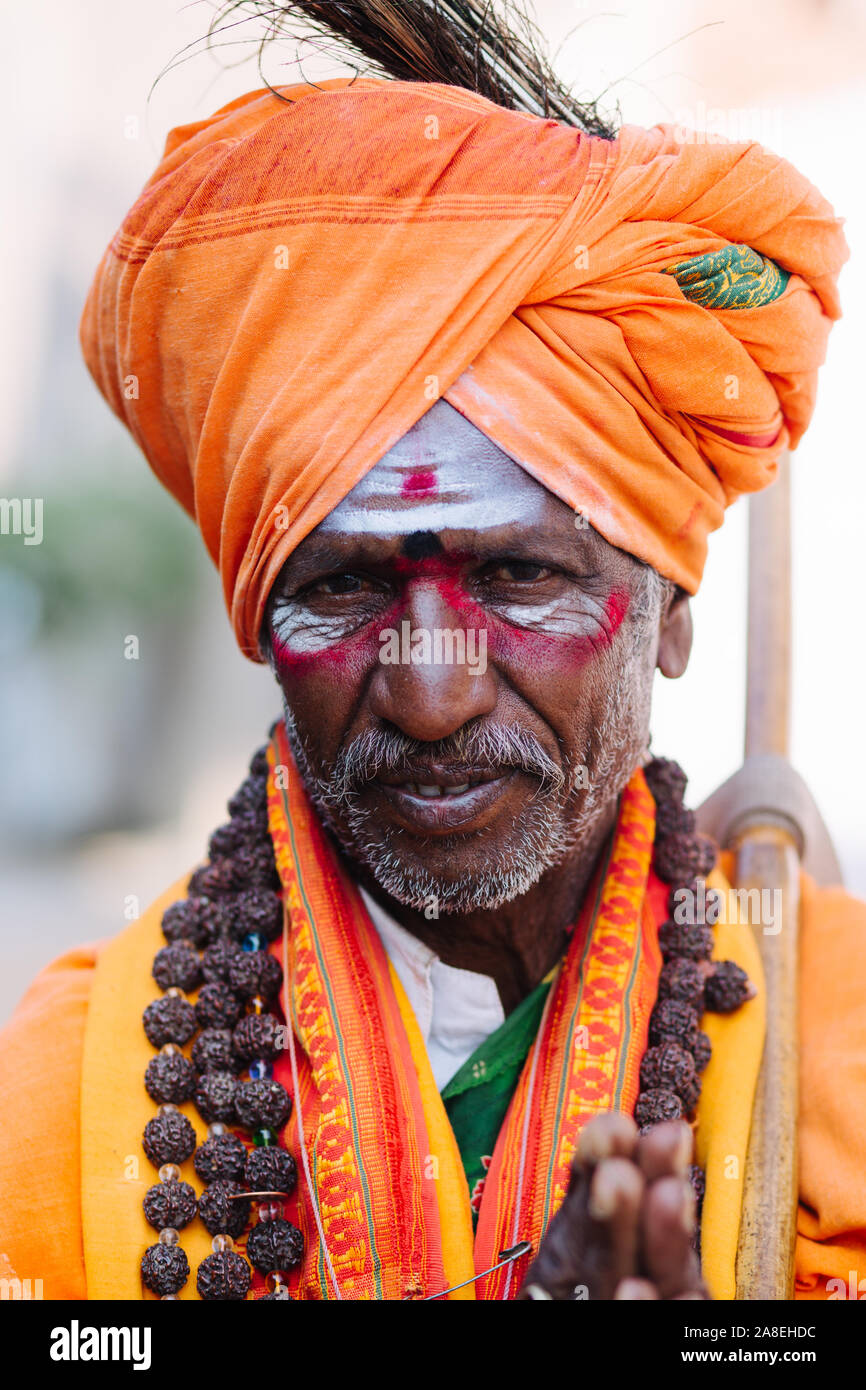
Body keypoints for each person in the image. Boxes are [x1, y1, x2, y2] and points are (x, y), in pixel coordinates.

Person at [0, 1, 862, 1302]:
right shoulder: (63, 1110)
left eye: (518, 573)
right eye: (343, 586)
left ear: (671, 605)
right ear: (258, 616)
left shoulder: (830, 1055)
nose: (429, 688)